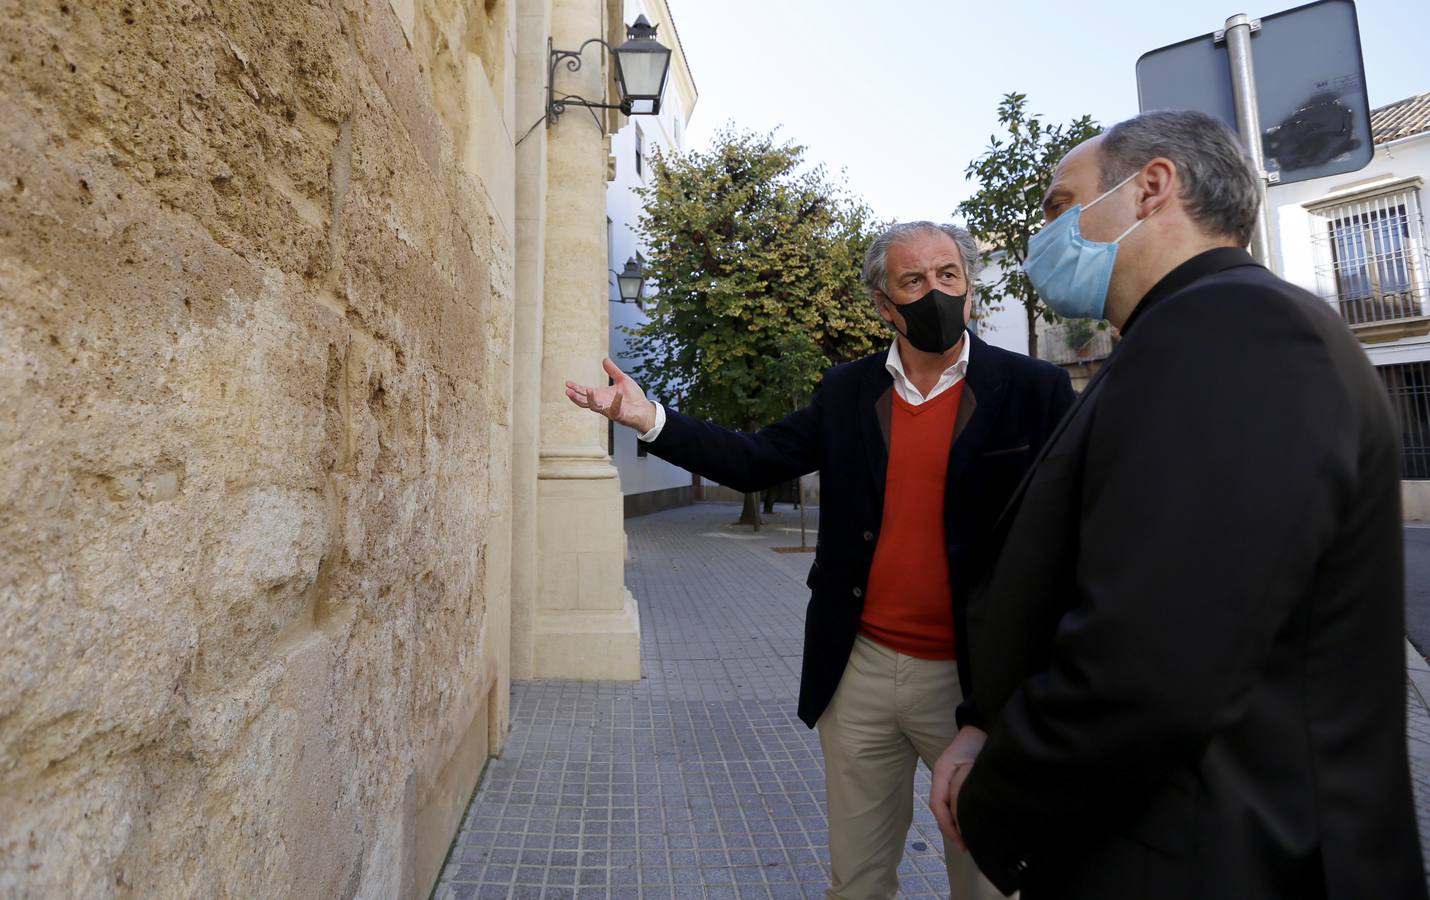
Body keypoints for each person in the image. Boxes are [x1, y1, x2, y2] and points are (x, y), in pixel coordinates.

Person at [928, 110, 1428, 900]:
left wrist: (1000, 798)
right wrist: (985, 720)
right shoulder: (1178, 336)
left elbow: (1152, 660)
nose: (1041, 239)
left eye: (1061, 206)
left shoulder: (1239, 332)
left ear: (1152, 187)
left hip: (1225, 858)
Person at [566, 221, 1075, 899]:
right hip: (859, 670)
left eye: (948, 276)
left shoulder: (1034, 389)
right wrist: (650, 419)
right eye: (913, 281)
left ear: (971, 288)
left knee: (986, 884)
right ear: (884, 304)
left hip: (976, 681)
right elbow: (757, 460)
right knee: (857, 883)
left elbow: (1067, 529)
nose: (936, 293)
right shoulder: (847, 391)